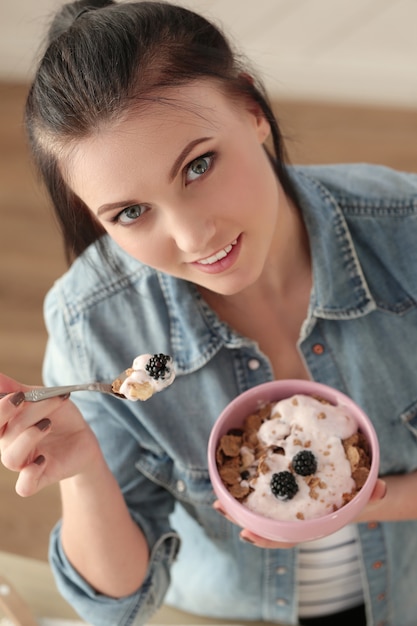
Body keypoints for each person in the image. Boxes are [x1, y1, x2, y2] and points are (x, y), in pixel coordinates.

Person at [1, 1, 417, 624]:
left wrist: (357, 503)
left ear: (252, 112)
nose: (194, 238)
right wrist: (83, 470)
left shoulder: (405, 232)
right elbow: (118, 604)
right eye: (130, 213)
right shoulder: (94, 323)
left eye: (198, 166)